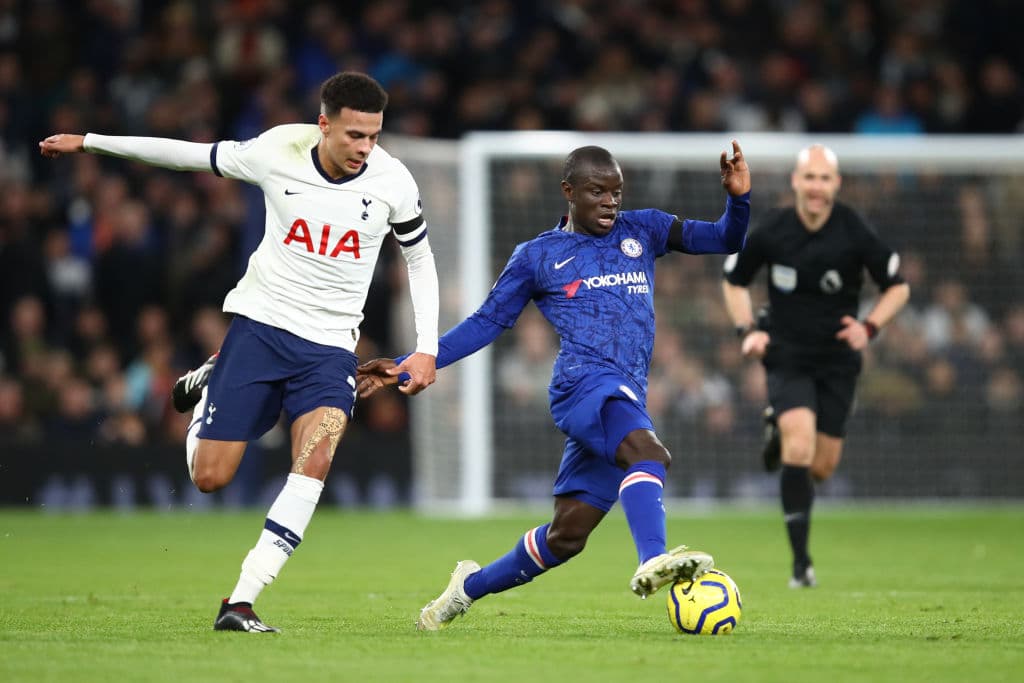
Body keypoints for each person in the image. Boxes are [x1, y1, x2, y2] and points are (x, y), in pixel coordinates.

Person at [39, 72, 440, 632]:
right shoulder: (277, 150)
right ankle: (209, 382)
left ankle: (241, 601)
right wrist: (93, 142)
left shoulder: (393, 181)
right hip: (261, 330)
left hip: (330, 350)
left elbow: (419, 260)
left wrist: (427, 349)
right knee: (210, 477)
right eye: (354, 135)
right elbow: (187, 155)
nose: (365, 149)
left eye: (373, 136)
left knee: (317, 456)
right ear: (324, 125)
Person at [358, 142, 751, 630]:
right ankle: (654, 556)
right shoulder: (539, 256)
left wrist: (738, 197)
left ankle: (465, 589)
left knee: (567, 537)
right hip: (582, 385)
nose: (611, 202)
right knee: (649, 454)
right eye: (597, 191)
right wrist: (413, 361)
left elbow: (725, 239)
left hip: (624, 390)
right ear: (569, 192)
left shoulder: (643, 229)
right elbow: (487, 321)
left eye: (616, 192)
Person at [721, 144, 910, 588]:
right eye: (810, 177)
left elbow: (897, 288)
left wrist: (871, 327)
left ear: (836, 185)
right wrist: (748, 330)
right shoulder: (773, 229)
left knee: (821, 467)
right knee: (799, 447)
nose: (817, 187)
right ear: (795, 181)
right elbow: (733, 282)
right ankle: (801, 565)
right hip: (787, 355)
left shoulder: (854, 230)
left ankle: (777, 428)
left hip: (838, 361)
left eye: (825, 179)